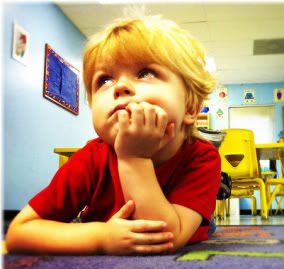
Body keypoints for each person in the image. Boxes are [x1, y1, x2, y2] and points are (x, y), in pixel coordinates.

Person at [5, 14, 221, 255]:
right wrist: (100, 236)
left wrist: (134, 158)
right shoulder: (91, 158)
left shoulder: (202, 157)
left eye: (145, 73)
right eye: (105, 80)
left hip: (182, 221)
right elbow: (18, 232)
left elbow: (163, 237)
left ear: (190, 107)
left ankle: (204, 219)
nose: (119, 87)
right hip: (109, 224)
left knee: (205, 227)